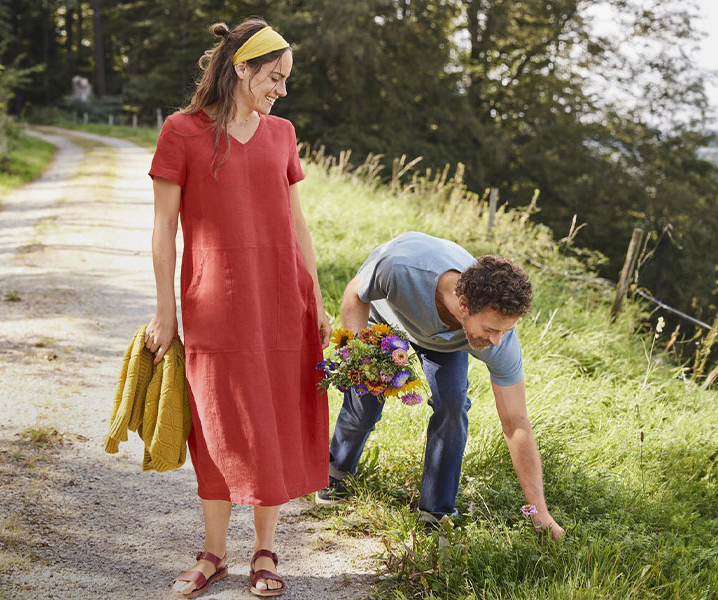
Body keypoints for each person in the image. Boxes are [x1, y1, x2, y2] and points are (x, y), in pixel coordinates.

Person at [144, 18, 331, 598]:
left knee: (272, 413)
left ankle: (266, 550)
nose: (281, 89)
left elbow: (297, 221)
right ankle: (214, 552)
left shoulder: (282, 134)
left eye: (286, 79)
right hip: (214, 303)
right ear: (240, 67)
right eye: (274, 77)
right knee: (218, 421)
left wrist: (317, 300)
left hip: (282, 299)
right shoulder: (182, 132)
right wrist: (165, 312)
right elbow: (164, 229)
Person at [317, 232, 565, 541]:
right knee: (365, 398)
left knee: (452, 405)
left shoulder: (498, 343)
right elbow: (356, 294)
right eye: (490, 329)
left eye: (506, 330)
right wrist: (361, 354)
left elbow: (516, 424)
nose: (497, 341)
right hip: (388, 319)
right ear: (463, 304)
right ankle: (337, 470)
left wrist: (539, 511)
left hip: (446, 343)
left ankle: (436, 513)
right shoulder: (401, 267)